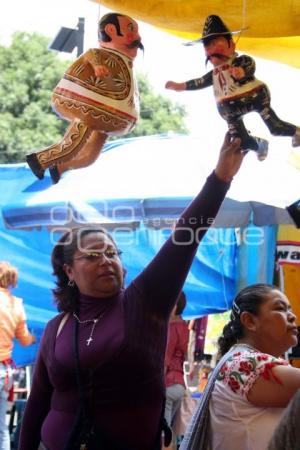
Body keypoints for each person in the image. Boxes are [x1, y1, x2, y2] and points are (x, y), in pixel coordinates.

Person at [18, 132, 245, 450]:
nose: (106, 261)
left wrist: (220, 178)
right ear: (69, 271)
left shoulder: (144, 303)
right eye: (92, 256)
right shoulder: (58, 328)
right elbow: (39, 402)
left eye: (112, 254)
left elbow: (187, 234)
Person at [26, 12, 143, 184]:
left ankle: (61, 167)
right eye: (130, 29)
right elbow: (91, 55)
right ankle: (39, 160)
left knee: (90, 157)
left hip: (109, 117)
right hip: (86, 106)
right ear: (110, 30)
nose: (137, 36)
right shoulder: (98, 54)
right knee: (74, 143)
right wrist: (97, 66)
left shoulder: (126, 64)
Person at [180, 283, 300, 450]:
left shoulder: (237, 361)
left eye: (290, 309)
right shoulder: (243, 364)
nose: (292, 316)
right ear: (249, 321)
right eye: (280, 309)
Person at [166, 15, 300, 161]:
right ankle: (260, 146)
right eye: (207, 46)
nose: (210, 50)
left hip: (255, 98)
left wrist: (242, 71)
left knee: (275, 128)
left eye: (215, 43)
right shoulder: (214, 73)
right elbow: (200, 81)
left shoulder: (239, 61)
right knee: (239, 141)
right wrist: (181, 86)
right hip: (229, 111)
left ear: (231, 44)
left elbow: (250, 64)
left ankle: (296, 132)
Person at [0, 262, 35, 450]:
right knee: (2, 428)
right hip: (6, 371)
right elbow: (24, 339)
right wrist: (35, 339)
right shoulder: (16, 304)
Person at [164, 291, 189, 449]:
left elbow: (164, 360)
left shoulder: (170, 328)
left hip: (167, 384)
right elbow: (185, 357)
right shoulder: (184, 327)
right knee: (170, 433)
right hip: (179, 385)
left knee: (162, 434)